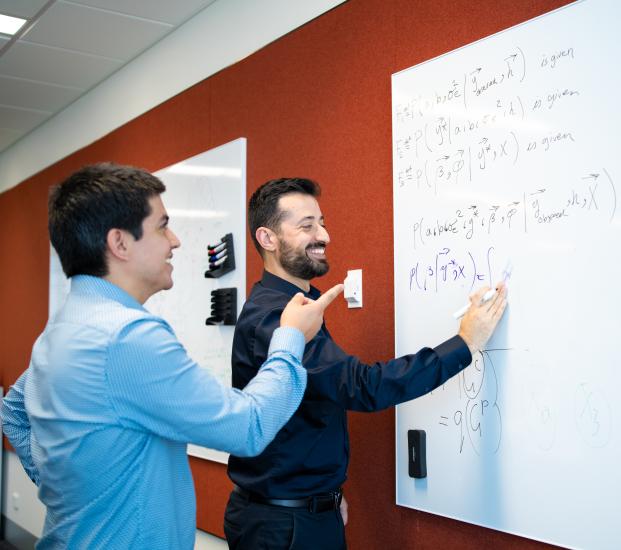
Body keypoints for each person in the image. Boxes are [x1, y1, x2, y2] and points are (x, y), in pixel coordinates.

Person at [1, 163, 344, 549]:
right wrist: (290, 338)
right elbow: (247, 428)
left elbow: (12, 413)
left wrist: (62, 490)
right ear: (120, 243)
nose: (175, 240)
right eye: (162, 226)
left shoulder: (64, 327)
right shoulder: (128, 337)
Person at [223, 177, 507, 549]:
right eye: (307, 226)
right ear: (268, 239)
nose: (324, 235)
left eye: (322, 223)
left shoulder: (295, 306)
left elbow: (312, 406)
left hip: (300, 512)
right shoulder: (274, 317)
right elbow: (363, 387)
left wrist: (324, 499)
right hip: (283, 525)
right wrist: (466, 342)